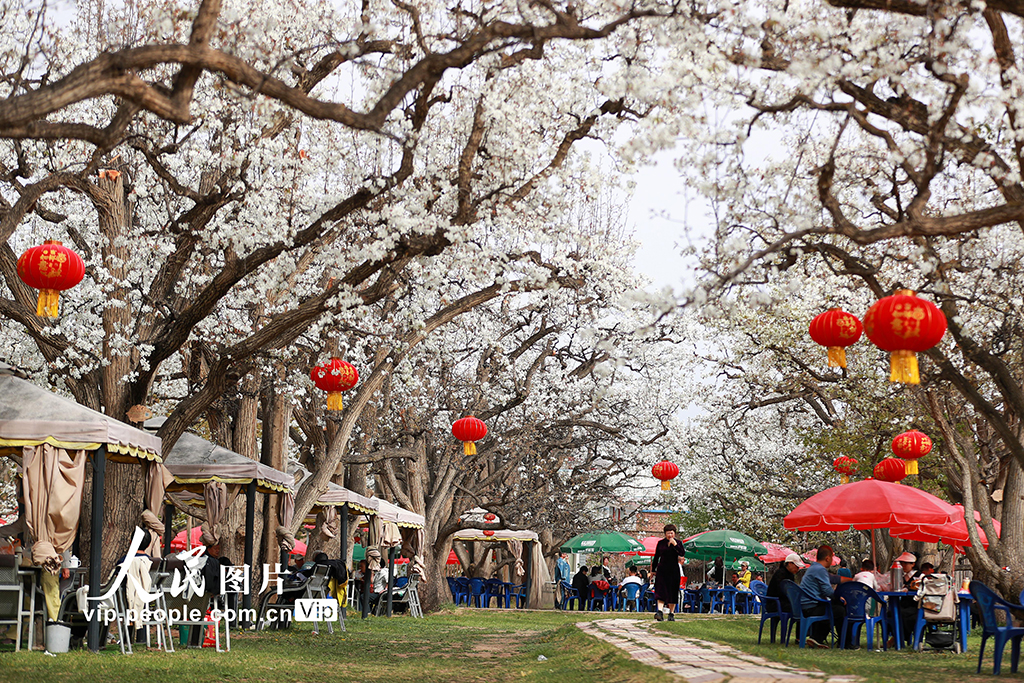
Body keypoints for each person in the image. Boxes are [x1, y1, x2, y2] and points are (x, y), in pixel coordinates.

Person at [800, 544, 847, 648]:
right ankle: (844, 642)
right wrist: (839, 598)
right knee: (839, 610)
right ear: (827, 558)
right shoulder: (820, 570)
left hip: (805, 606)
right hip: (811, 607)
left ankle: (817, 637)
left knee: (834, 608)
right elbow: (828, 591)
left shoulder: (813, 568)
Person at [650, 523, 686, 621]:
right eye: (668, 533)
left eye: (671, 533)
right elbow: (656, 557)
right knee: (660, 590)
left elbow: (682, 553)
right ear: (665, 534)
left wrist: (675, 545)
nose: (670, 535)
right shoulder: (661, 543)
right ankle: (660, 611)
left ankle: (671, 613)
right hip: (662, 569)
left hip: (673, 570)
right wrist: (653, 570)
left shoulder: (678, 543)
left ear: (675, 533)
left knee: (672, 591)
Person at [896, 551, 919, 646]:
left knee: (903, 615)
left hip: (915, 606)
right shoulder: (901, 577)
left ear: (913, 564)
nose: (903, 565)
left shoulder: (919, 576)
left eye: (906, 563)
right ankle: (896, 638)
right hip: (903, 604)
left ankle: (897, 639)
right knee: (890, 614)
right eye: (902, 563)